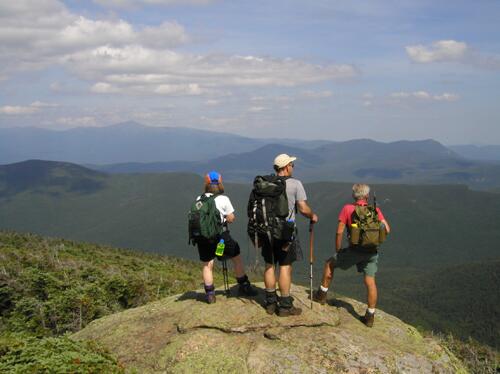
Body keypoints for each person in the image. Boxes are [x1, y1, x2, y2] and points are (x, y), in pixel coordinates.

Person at [313, 183, 390, 327]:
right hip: (372, 252)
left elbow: (339, 231)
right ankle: (370, 316)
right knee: (370, 281)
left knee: (330, 263)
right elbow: (387, 229)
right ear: (367, 196)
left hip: (354, 250)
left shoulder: (348, 209)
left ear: (354, 195)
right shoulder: (375, 210)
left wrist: (338, 250)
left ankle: (321, 295)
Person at [260, 154, 318, 317]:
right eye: (292, 165)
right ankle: (285, 305)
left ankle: (270, 303)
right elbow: (303, 208)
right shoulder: (295, 184)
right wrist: (313, 216)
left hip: (266, 231)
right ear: (286, 167)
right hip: (286, 231)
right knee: (285, 266)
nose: (293, 167)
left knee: (269, 264)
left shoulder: (265, 184)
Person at [196, 171, 257, 303]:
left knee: (207, 264)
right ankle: (243, 284)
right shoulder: (224, 199)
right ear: (219, 184)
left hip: (203, 238)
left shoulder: (199, 199)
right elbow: (231, 218)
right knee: (236, 257)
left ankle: (210, 294)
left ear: (206, 184)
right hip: (220, 238)